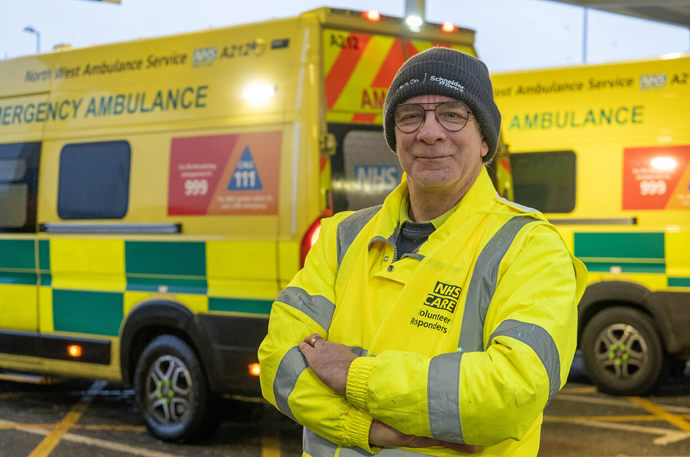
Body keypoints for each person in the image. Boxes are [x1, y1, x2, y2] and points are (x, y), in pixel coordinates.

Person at [258, 47, 586, 456]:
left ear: (485, 140)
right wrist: (365, 427)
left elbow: (511, 393)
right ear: (395, 139)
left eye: (452, 114)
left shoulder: (530, 247)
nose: (429, 132)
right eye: (411, 116)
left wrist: (355, 375)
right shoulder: (341, 236)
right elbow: (277, 363)